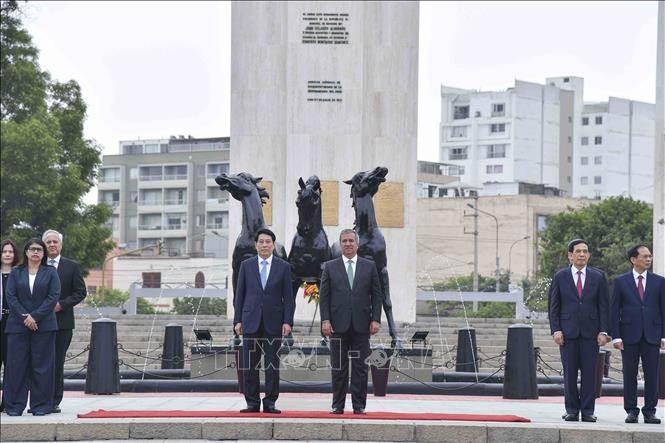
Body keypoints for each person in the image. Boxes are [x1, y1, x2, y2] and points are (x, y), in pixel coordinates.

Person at [319, 229, 382, 415]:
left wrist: (376, 319)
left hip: (362, 325)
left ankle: (359, 405)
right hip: (337, 326)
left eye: (351, 241)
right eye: (344, 241)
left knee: (361, 368)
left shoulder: (369, 266)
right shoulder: (330, 267)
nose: (347, 244)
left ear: (357, 244)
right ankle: (337, 405)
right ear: (340, 244)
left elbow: (377, 295)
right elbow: (324, 297)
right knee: (339, 368)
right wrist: (325, 320)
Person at [548, 238, 610, 422]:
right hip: (567, 333)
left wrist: (604, 331)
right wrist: (556, 329)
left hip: (591, 334)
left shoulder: (598, 276)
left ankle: (588, 411)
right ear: (570, 255)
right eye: (578, 251)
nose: (582, 254)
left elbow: (603, 307)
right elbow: (553, 306)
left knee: (590, 374)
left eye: (585, 251)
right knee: (569, 373)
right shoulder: (560, 276)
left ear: (589, 255)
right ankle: (572, 410)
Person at [234, 228, 294, 414]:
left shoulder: (283, 266)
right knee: (250, 365)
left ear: (273, 245)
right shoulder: (246, 265)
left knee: (271, 365)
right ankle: (252, 402)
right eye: (261, 241)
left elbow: (288, 298)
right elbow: (240, 295)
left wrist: (287, 322)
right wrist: (237, 320)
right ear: (256, 245)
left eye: (268, 242)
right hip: (250, 321)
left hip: (273, 322)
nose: (264, 245)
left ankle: (270, 402)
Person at [4, 238, 60, 416]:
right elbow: (10, 296)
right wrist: (25, 317)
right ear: (26, 252)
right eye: (32, 249)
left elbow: (53, 296)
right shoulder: (15, 272)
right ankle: (13, 406)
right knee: (15, 366)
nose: (35, 252)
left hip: (43, 326)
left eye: (39, 250)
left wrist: (34, 316)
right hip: (17, 326)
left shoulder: (50, 272)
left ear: (43, 254)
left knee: (42, 367)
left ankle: (41, 406)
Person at [611, 244, 665, 424]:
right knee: (629, 374)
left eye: (650, 256)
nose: (648, 259)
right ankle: (631, 411)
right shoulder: (620, 281)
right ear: (633, 259)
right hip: (628, 336)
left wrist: (664, 336)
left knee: (652, 375)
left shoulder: (659, 281)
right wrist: (616, 336)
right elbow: (614, 311)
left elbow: (664, 310)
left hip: (652, 335)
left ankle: (650, 411)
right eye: (644, 256)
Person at [42, 229, 87, 413]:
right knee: (39, 362)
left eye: (55, 242)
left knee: (56, 362)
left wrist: (61, 305)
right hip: (38, 322)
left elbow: (80, 292)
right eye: (48, 242)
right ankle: (39, 399)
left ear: (60, 245)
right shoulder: (36, 265)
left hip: (62, 322)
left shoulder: (72, 266)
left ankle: (54, 401)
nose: (52, 245)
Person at [1, 239, 21, 412]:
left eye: (11, 252)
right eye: (4, 251)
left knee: (12, 365)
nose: (7, 254)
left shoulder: (19, 274)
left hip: (14, 324)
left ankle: (8, 403)